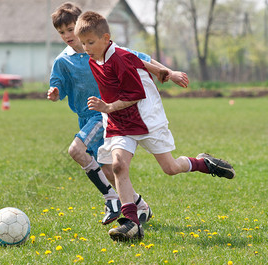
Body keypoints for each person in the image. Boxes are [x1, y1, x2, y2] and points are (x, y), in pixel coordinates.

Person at [74, 11, 235, 241]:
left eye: (90, 42)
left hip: (144, 118)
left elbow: (135, 94)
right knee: (118, 166)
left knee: (170, 168)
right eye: (83, 43)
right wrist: (161, 72)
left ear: (105, 38)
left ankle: (203, 163)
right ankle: (131, 222)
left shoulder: (118, 57)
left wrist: (108, 107)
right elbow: (138, 60)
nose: (86, 47)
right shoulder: (95, 58)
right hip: (119, 121)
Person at [47, 2, 188, 226]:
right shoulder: (63, 61)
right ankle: (140, 206)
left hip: (105, 115)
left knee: (76, 150)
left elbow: (143, 60)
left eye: (70, 29)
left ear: (81, 25)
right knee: (109, 169)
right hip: (86, 117)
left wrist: (170, 73)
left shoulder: (105, 49)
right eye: (61, 32)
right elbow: (58, 87)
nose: (67, 35)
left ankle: (111, 199)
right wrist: (54, 93)